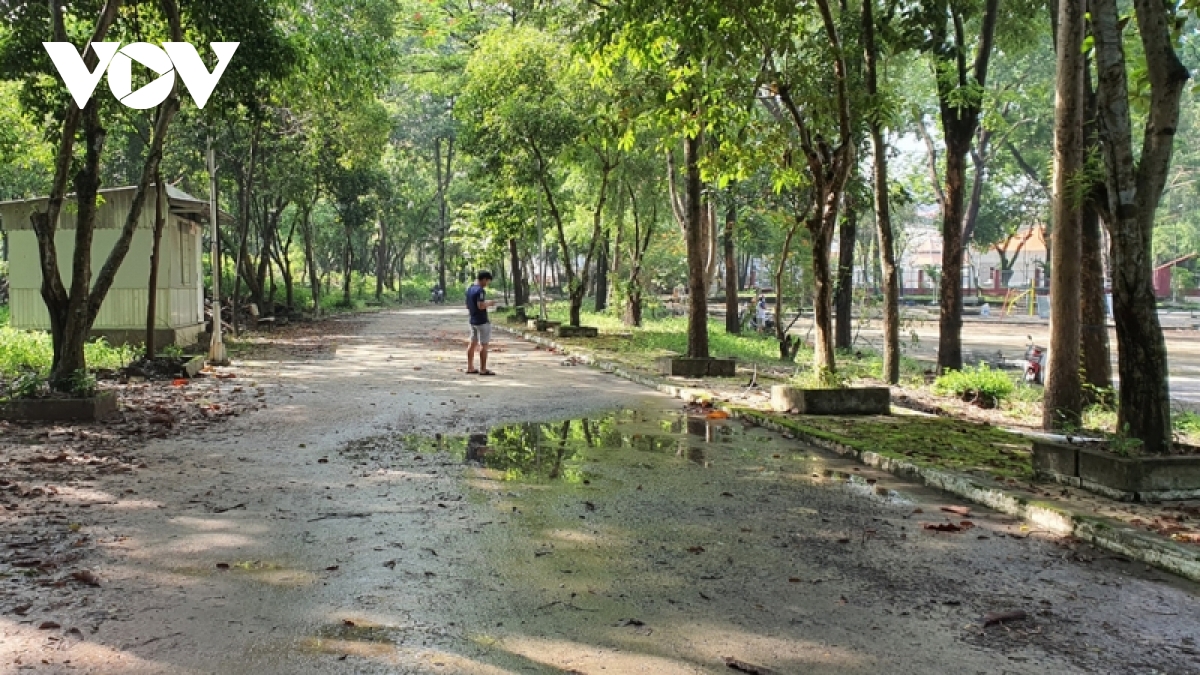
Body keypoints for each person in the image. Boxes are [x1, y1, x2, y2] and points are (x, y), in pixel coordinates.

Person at [466, 271, 497, 376]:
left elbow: (467, 305)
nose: (487, 284)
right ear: (484, 279)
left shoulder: (469, 289)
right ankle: (483, 369)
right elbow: (481, 305)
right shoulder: (480, 290)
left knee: (472, 343)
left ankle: (470, 367)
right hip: (482, 321)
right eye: (487, 281)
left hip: (472, 320)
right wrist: (489, 303)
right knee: (484, 344)